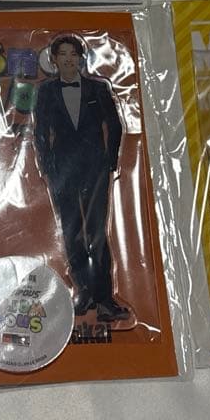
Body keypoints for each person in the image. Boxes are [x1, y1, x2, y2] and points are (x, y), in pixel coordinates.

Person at [33, 36, 131, 322]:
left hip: (95, 169)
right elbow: (41, 132)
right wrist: (48, 167)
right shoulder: (46, 91)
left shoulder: (98, 88)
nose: (68, 59)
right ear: (54, 59)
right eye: (62, 54)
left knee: (97, 233)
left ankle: (105, 300)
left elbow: (114, 125)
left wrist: (109, 162)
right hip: (62, 170)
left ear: (80, 58)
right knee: (71, 232)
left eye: (73, 54)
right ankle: (83, 292)